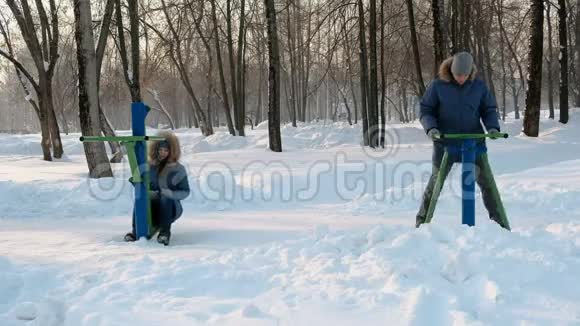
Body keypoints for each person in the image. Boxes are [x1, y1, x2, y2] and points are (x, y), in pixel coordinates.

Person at [416, 51, 510, 230]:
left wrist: (492, 127)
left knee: (487, 184)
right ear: (451, 71)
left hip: (474, 142)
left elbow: (488, 109)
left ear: (470, 73)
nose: (461, 78)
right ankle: (421, 222)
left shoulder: (478, 87)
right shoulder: (438, 86)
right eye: (458, 75)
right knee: (436, 182)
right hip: (445, 142)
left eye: (465, 75)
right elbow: (426, 109)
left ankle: (500, 225)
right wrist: (431, 128)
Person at [124, 131, 190, 245]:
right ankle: (136, 232)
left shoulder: (179, 168)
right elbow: (143, 184)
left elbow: (185, 191)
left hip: (171, 206)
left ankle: (164, 234)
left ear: (171, 151)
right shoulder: (149, 166)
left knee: (165, 197)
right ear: (155, 149)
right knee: (141, 197)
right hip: (153, 204)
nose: (162, 153)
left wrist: (170, 193)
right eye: (160, 150)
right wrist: (137, 182)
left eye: (166, 150)